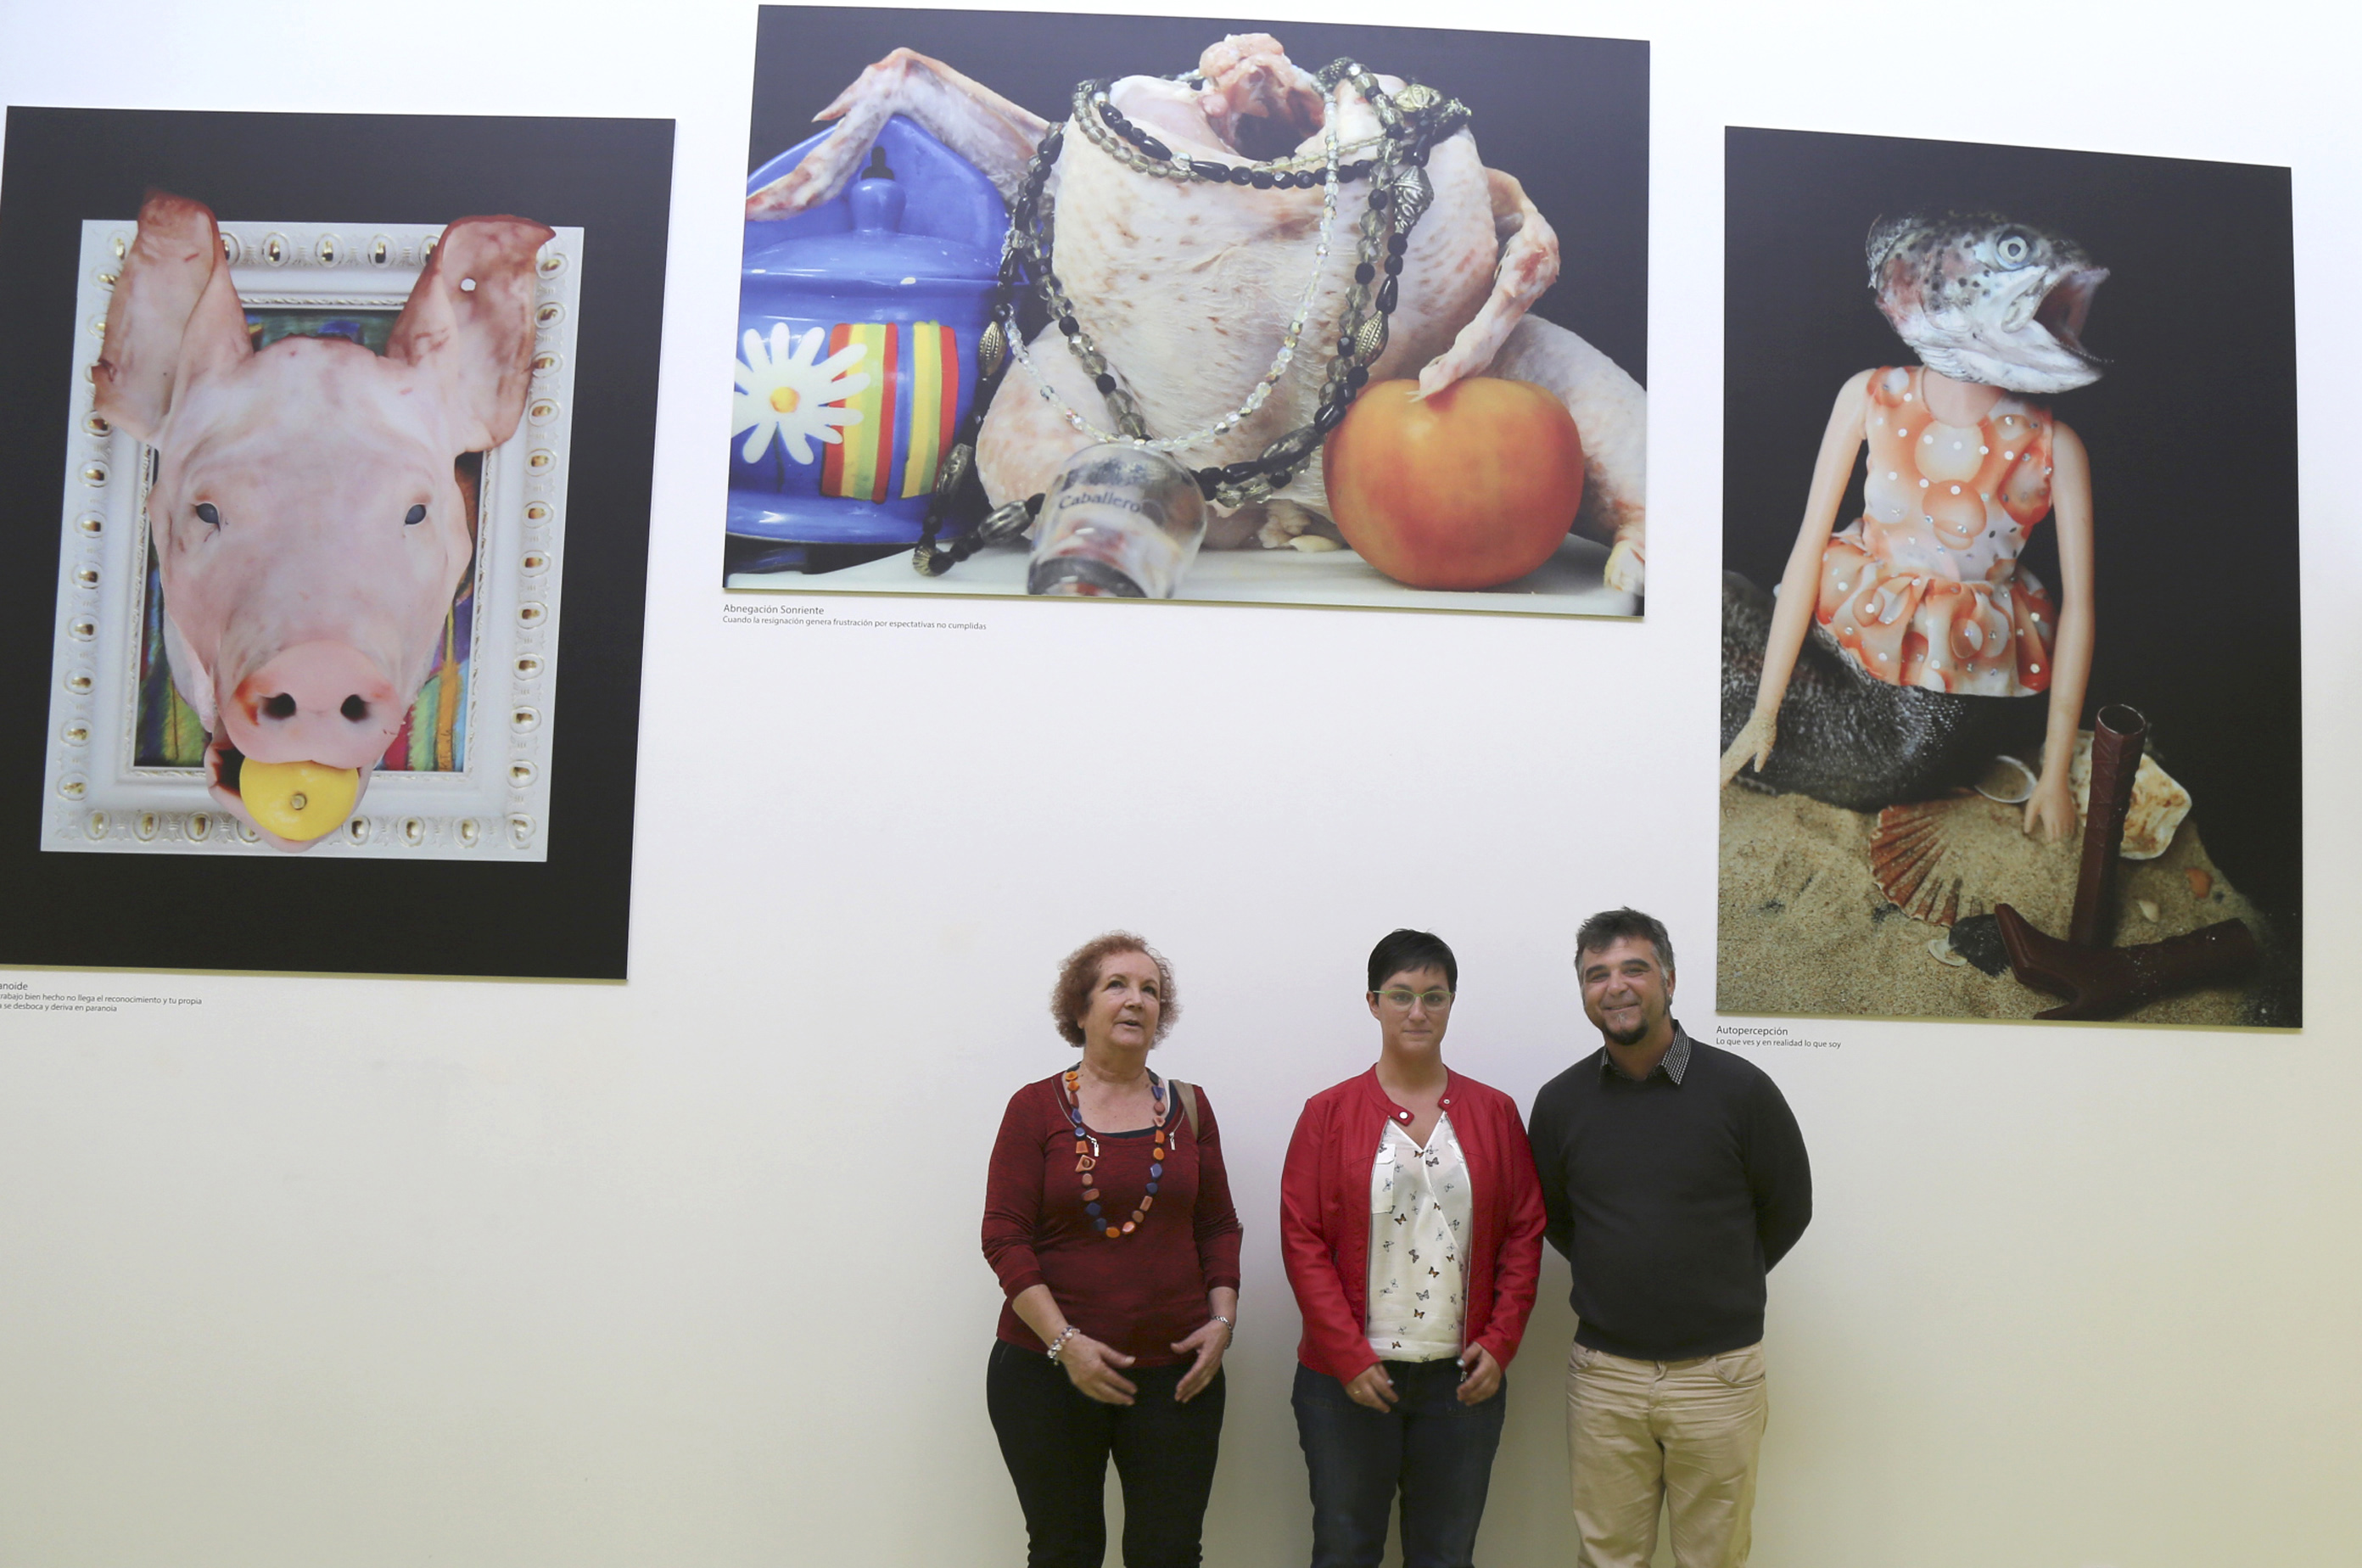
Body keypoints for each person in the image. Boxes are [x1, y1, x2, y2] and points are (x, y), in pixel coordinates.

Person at [1721, 211, 2103, 836]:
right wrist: (1765, 710)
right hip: (1839, 621)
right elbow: (1809, 542)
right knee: (1716, 613)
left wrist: (2054, 774)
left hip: (1937, 687)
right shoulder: (1871, 394)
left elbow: (2081, 610)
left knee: (1878, 770)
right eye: (2010, 254)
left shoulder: (2054, 446)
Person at [1527, 909, 1811, 1568]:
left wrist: (1717, 1278)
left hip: (1719, 1375)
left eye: (1634, 968)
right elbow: (1557, 1218)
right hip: (1605, 1377)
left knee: (1714, 1558)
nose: (1615, 987)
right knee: (1607, 1557)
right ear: (1584, 992)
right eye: (1596, 974)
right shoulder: (1561, 1102)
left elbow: (1788, 1208)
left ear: (1670, 980)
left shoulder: (1742, 1091)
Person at [1280, 929, 1546, 1568]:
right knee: (1344, 1553)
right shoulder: (1327, 1113)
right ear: (1373, 1003)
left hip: (1462, 1382)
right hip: (1344, 1382)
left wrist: (1502, 1342)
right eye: (1401, 995)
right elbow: (1301, 1239)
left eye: (1434, 996)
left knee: (1445, 1556)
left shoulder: (1495, 1112)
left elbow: (1524, 1232)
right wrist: (1348, 1356)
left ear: (1452, 1002)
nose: (1418, 1011)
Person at [982, 932, 1242, 1568]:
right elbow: (1004, 1235)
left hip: (1177, 1377)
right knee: (1064, 1551)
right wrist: (1065, 1343)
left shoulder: (1189, 1108)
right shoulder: (1034, 1107)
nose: (1136, 1000)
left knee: (1168, 1553)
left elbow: (1218, 1226)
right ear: (1080, 1008)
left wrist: (1222, 1323)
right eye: (1116, 985)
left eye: (1150, 989)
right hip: (1046, 1373)